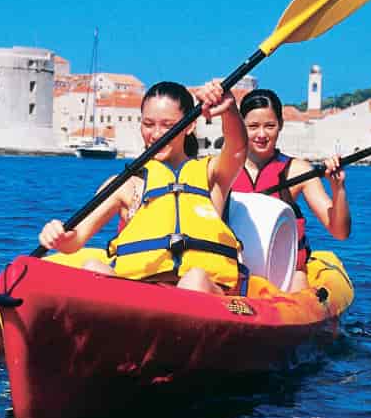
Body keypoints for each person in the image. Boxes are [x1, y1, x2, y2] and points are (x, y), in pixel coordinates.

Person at [39, 80, 248, 295]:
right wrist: (58, 237)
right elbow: (75, 241)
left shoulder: (211, 174)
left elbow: (237, 149)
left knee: (194, 279)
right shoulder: (123, 185)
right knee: (92, 267)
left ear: (190, 126)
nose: (156, 135)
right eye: (148, 124)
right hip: (142, 295)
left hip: (202, 293)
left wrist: (229, 110)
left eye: (168, 125)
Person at [232, 89, 350, 292]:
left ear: (281, 126)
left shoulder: (297, 171)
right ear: (241, 127)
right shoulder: (225, 168)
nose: (261, 134)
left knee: (298, 282)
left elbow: (340, 232)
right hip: (235, 269)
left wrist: (338, 188)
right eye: (253, 126)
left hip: (287, 272)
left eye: (269, 126)